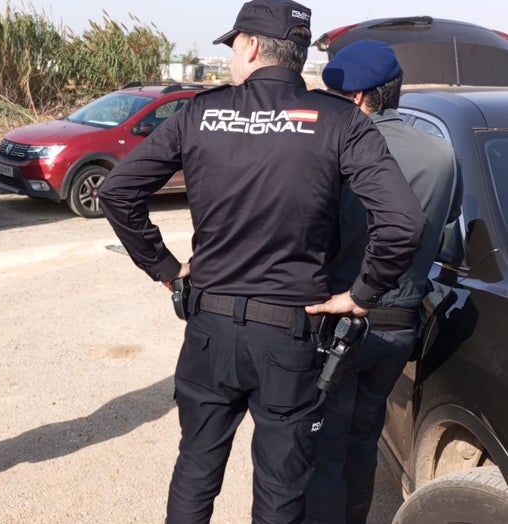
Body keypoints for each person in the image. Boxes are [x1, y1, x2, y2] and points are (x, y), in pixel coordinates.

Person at [98, 1, 427, 522]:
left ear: (250, 45)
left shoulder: (201, 112)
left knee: (196, 469)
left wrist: (164, 267)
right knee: (281, 488)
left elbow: (117, 192)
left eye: (232, 46)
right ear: (296, 53)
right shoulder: (339, 119)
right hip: (291, 338)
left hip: (210, 327)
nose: (231, 56)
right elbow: (404, 222)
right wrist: (360, 295)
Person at [305, 40, 462, 524]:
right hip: (399, 329)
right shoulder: (441, 154)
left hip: (339, 320)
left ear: (354, 98)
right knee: (364, 438)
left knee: (323, 446)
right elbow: (447, 228)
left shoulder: (337, 148)